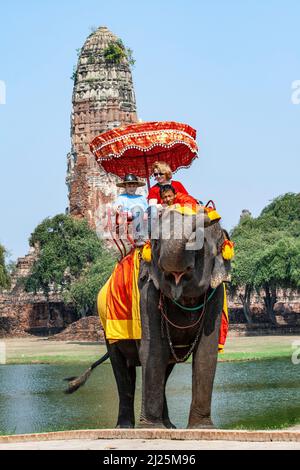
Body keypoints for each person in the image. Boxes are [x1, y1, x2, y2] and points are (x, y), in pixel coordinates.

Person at [115, 174, 148, 246]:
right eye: (129, 186)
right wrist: (119, 208)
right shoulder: (122, 197)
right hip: (130, 216)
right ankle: (139, 237)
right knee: (137, 209)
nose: (131, 188)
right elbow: (117, 207)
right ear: (125, 186)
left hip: (144, 217)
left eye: (134, 186)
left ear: (136, 187)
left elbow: (147, 209)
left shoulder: (141, 197)